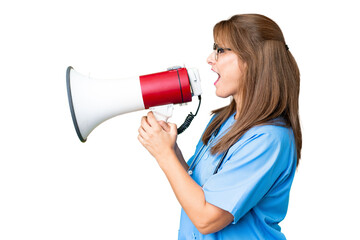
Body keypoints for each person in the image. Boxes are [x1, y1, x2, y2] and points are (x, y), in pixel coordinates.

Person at [138, 13, 301, 240]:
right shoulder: (224, 120)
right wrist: (171, 150)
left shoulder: (269, 139)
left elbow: (207, 218)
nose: (210, 59)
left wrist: (163, 154)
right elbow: (201, 190)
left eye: (220, 50)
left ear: (253, 60)